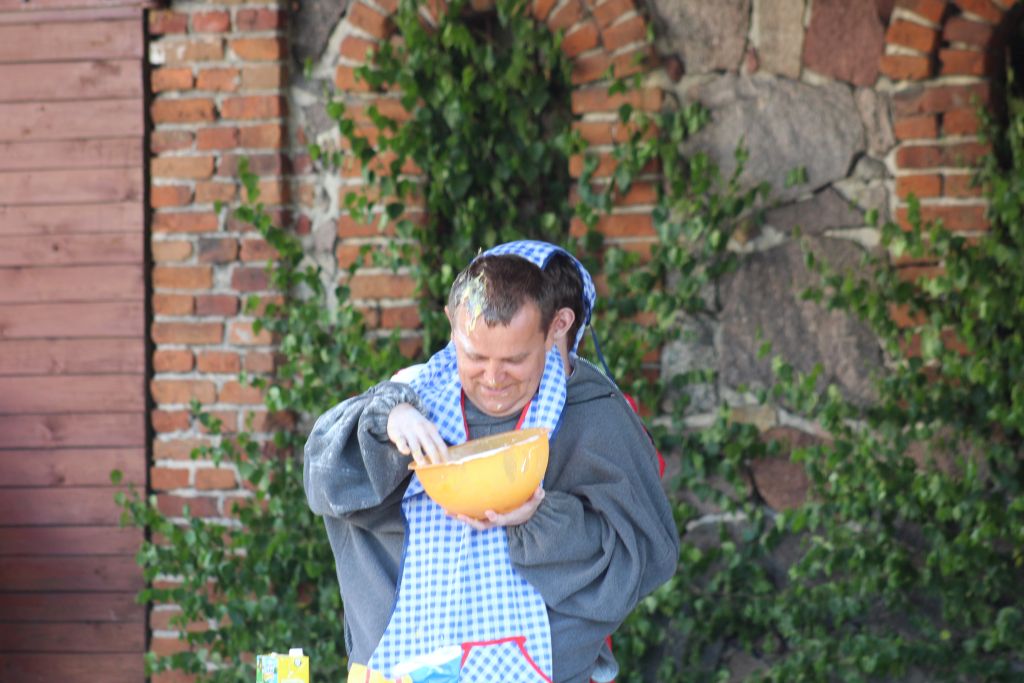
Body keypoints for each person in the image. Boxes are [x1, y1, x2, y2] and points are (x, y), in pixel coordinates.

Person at [303, 241, 678, 683]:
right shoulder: (413, 394)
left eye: (515, 360)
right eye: (476, 357)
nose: (494, 379)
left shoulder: (597, 416)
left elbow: (643, 556)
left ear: (554, 330)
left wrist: (540, 518)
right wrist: (386, 425)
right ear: (454, 324)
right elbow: (326, 478)